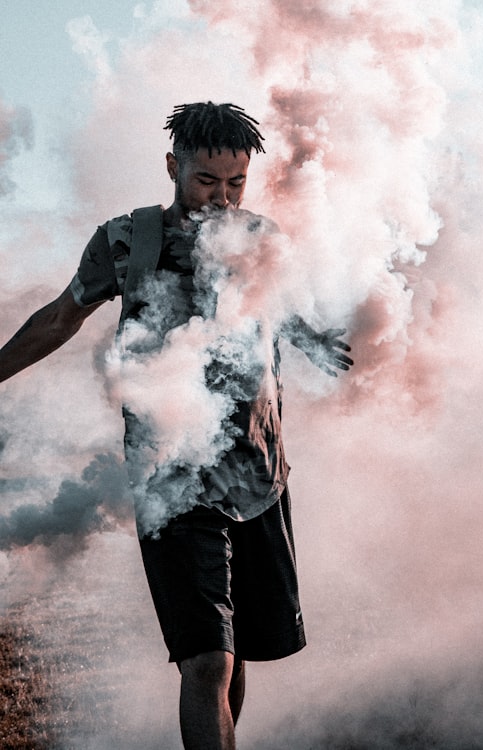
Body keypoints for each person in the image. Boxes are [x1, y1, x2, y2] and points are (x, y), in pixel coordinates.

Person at [0, 102, 354, 749]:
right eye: (205, 182)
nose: (220, 199)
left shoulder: (263, 240)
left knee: (237, 648)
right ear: (173, 166)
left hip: (258, 478)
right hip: (171, 480)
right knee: (206, 661)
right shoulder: (126, 241)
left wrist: (328, 341)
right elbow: (59, 318)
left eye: (235, 184)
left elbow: (298, 317)